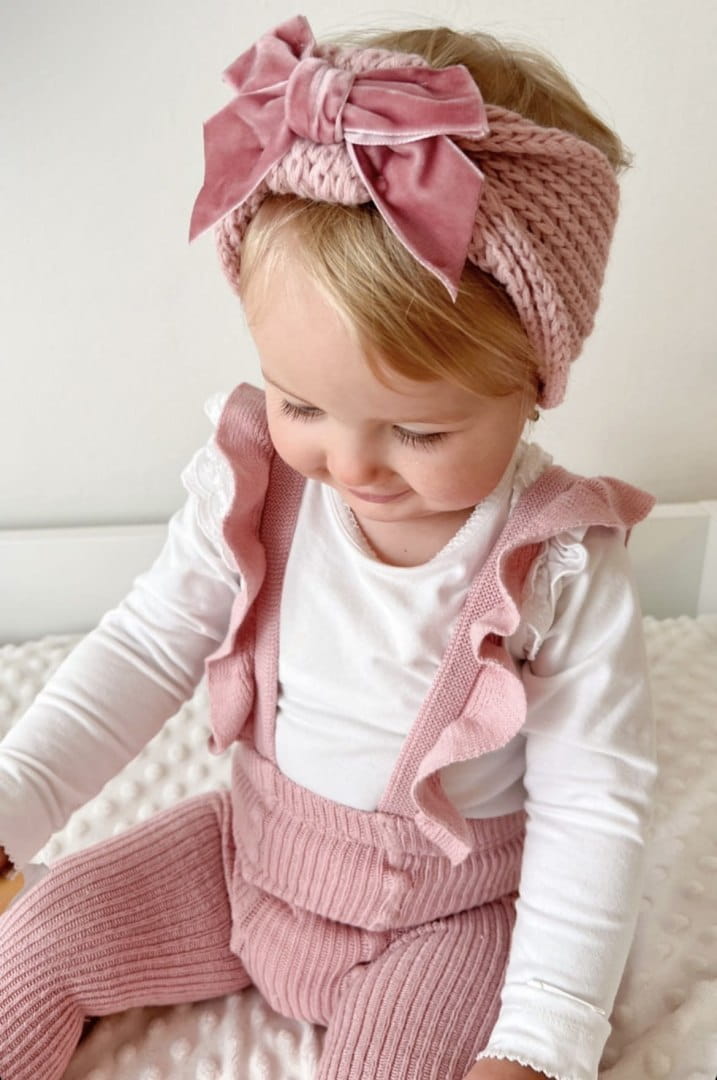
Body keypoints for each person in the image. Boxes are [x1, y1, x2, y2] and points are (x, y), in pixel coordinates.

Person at [0, 14, 657, 1080]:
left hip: (441, 921)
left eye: (419, 431)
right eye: (301, 402)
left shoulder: (558, 562)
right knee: (35, 941)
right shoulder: (256, 481)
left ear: (534, 385)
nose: (349, 464)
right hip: (249, 854)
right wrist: (15, 802)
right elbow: (145, 645)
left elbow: (596, 803)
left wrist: (542, 1037)